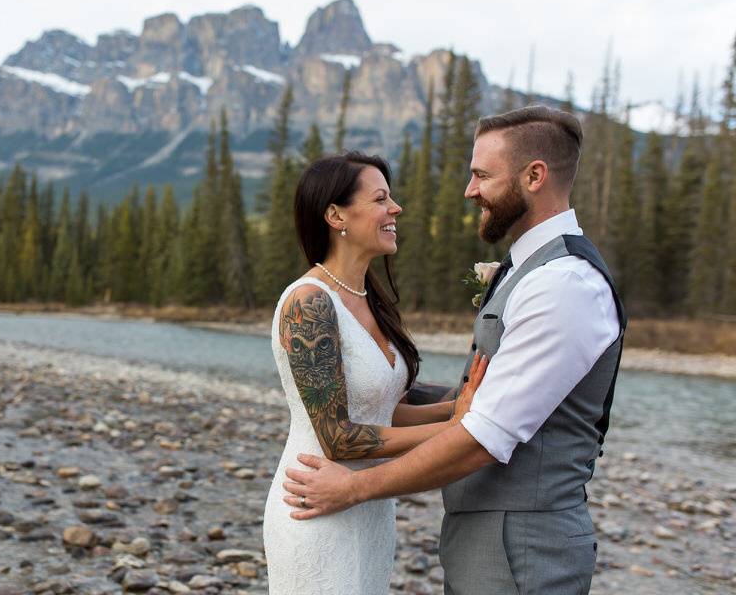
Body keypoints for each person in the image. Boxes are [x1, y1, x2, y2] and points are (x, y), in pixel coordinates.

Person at [283, 106, 626, 595]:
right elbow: (474, 399)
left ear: (534, 176)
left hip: (522, 545)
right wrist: (451, 408)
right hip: (487, 538)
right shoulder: (530, 270)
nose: (469, 190)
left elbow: (486, 435)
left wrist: (354, 488)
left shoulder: (563, 282)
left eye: (481, 175)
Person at [262, 151, 489, 594]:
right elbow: (339, 436)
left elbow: (384, 408)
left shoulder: (371, 299)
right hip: (314, 504)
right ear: (335, 215)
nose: (396, 208)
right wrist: (460, 428)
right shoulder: (309, 302)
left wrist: (467, 401)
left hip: (367, 506)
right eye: (381, 199)